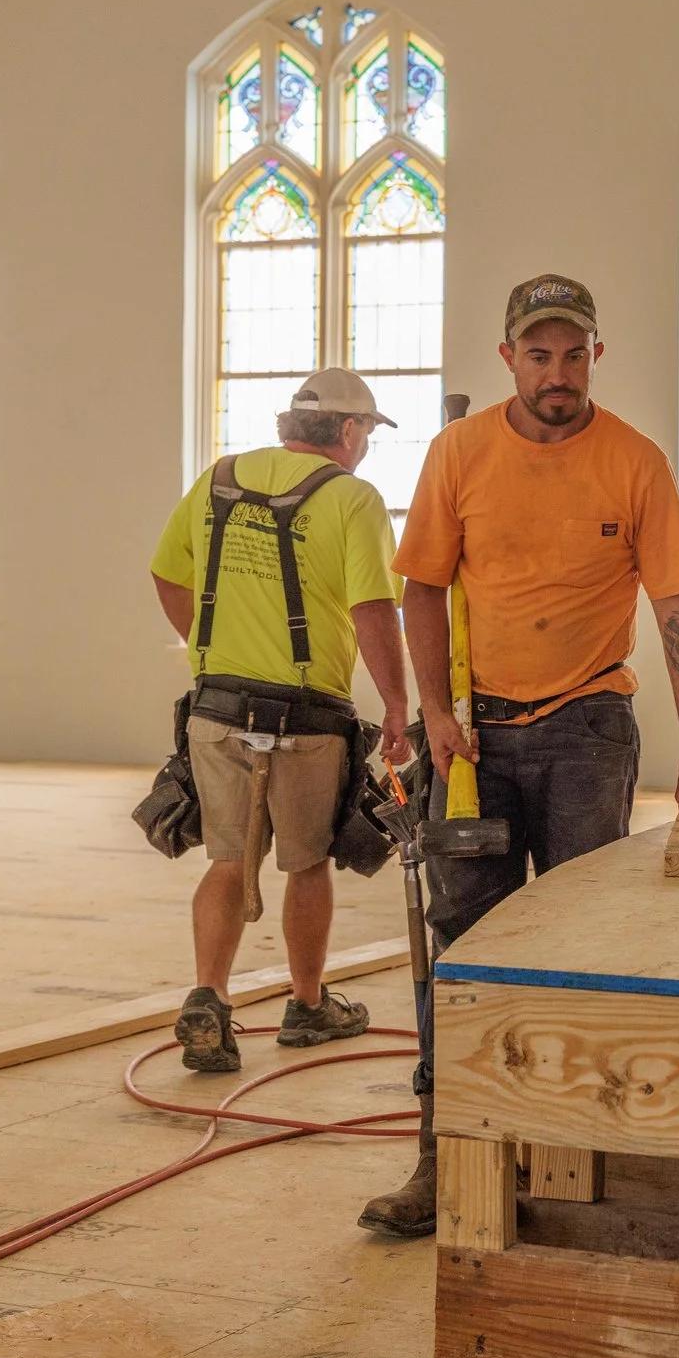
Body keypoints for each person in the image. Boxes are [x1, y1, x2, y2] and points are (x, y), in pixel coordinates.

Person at [356, 274, 679, 1236]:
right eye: (539, 355)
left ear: (595, 357)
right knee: (467, 948)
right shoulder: (460, 452)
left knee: (581, 944)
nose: (558, 373)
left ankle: (572, 1150)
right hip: (476, 741)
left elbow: (672, 605)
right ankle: (444, 1160)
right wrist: (433, 714)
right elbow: (422, 589)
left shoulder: (634, 461)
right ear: (509, 360)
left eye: (574, 355)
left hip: (588, 727)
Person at [148, 368, 413, 1072]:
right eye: (367, 435)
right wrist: (397, 703)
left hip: (216, 707)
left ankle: (208, 996)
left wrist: (208, 647)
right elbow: (374, 609)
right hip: (307, 716)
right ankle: (306, 1003)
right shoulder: (354, 498)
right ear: (351, 432)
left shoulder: (219, 478)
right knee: (307, 862)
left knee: (228, 857)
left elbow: (167, 575)